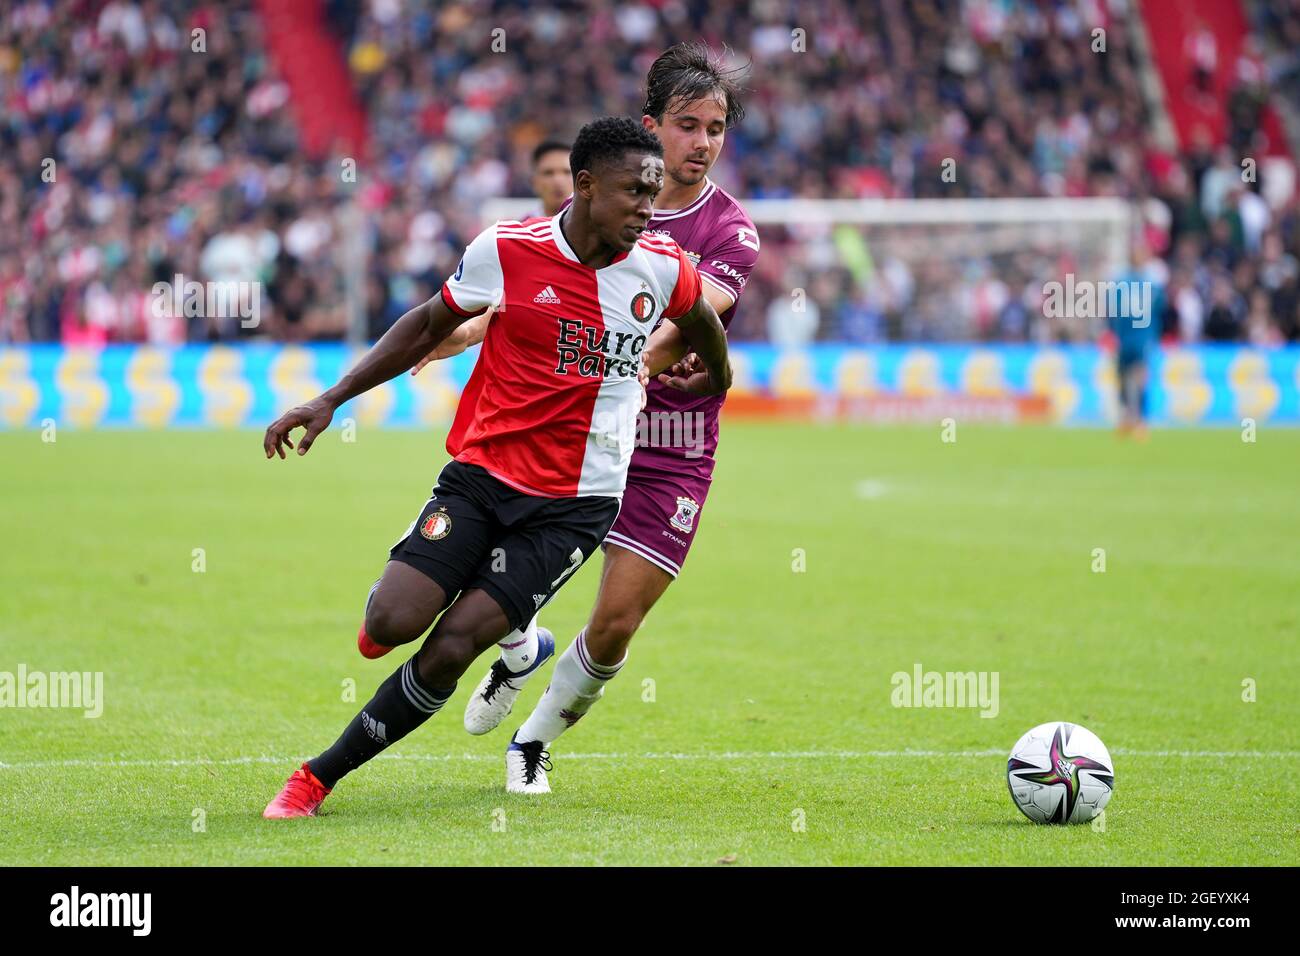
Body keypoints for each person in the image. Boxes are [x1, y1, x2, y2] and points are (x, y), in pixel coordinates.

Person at [261, 116, 732, 817]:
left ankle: (316, 777)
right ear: (585, 185)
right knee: (392, 623)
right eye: (634, 191)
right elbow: (426, 322)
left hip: (575, 504)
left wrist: (716, 376)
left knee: (451, 646)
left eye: (654, 193)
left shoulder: (663, 268)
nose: (647, 207)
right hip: (483, 476)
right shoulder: (507, 249)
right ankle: (503, 636)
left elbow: (704, 324)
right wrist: (331, 399)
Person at [412, 42, 758, 794]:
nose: (703, 144)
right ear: (651, 126)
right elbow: (523, 305)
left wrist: (624, 370)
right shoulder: (598, 204)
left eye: (716, 128)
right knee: (477, 568)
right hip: (573, 434)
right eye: (688, 125)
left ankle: (533, 740)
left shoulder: (731, 231)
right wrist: (456, 336)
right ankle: (518, 646)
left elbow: (691, 326)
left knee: (616, 624)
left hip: (671, 445)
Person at [530, 139, 572, 217]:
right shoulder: (522, 227)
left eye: (567, 172)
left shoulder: (596, 227)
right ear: (534, 181)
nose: (558, 180)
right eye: (548, 173)